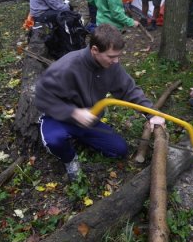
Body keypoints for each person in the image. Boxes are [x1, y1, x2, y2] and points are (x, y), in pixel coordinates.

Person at [35, 24, 165, 181]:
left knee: (119, 149)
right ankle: (69, 159)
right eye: (111, 56)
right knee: (55, 141)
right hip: (59, 118)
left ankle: (78, 138)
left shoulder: (111, 66)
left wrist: (151, 114)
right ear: (95, 50)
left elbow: (129, 89)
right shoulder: (68, 66)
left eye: (118, 56)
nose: (116, 61)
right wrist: (73, 113)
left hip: (89, 120)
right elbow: (42, 95)